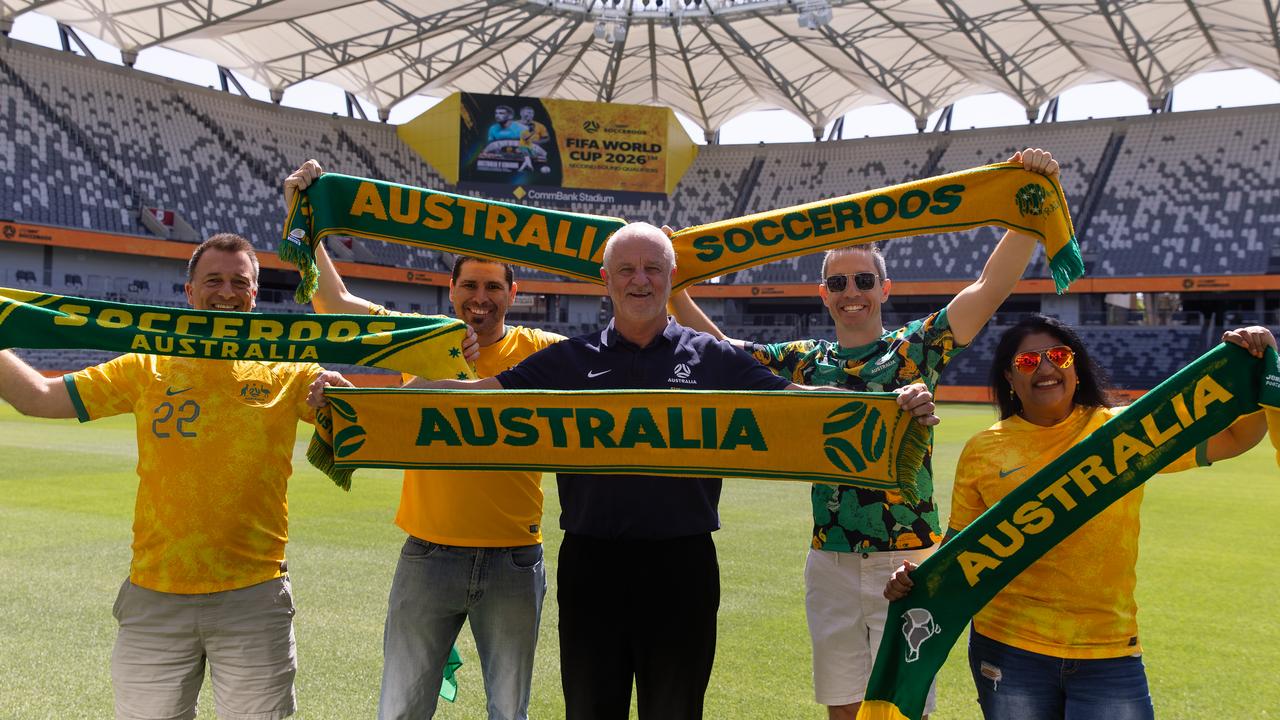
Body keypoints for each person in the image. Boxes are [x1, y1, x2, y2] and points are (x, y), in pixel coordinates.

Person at [309, 222, 940, 720]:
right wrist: (357, 403)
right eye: (628, 270)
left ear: (671, 278)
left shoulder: (713, 358)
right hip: (592, 566)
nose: (641, 281)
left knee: (675, 710)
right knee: (591, 709)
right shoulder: (568, 359)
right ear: (605, 279)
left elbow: (795, 408)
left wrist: (888, 408)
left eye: (654, 269)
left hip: (684, 565)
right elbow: (475, 398)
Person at [669, 148, 1061, 719]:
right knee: (843, 708)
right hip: (829, 558)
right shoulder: (804, 362)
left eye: (862, 280)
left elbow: (989, 285)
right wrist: (678, 284)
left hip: (907, 560)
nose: (850, 291)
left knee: (905, 709)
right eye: (838, 282)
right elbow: (725, 356)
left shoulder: (916, 347)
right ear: (823, 294)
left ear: (884, 288)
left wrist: (1027, 202)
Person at [0, 233, 322, 720]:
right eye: (213, 280)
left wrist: (340, 396)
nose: (227, 292)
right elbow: (39, 397)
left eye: (241, 282)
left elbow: (355, 424)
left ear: (255, 295)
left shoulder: (289, 370)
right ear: (188, 292)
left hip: (253, 599)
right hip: (155, 598)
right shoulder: (146, 364)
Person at [283, 159, 562, 720]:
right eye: (468, 286)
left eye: (492, 286)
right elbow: (336, 307)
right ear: (450, 289)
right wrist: (302, 215)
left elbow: (615, 363)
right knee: (402, 707)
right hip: (428, 553)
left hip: (514, 559)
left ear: (514, 292)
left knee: (510, 710)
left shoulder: (543, 349)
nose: (479, 298)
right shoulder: (420, 338)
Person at [883, 316, 1269, 720]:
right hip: (1009, 647)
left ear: (1075, 367)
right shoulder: (984, 450)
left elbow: (1235, 439)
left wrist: (1256, 365)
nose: (1046, 368)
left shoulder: (1124, 429)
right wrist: (915, 579)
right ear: (1010, 378)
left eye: (1058, 356)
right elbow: (962, 550)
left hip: (1108, 649)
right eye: (1029, 361)